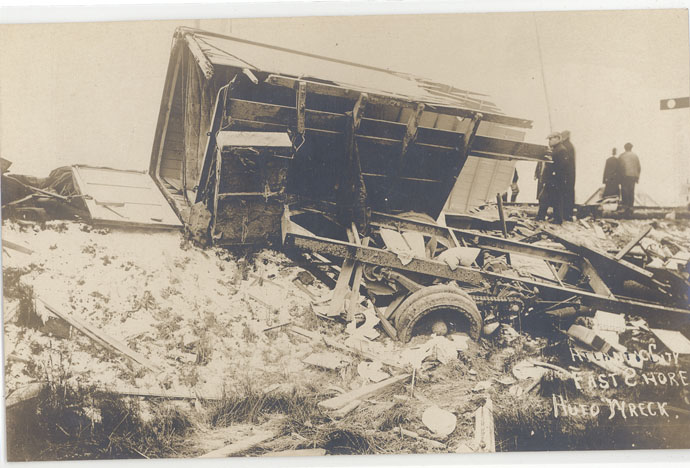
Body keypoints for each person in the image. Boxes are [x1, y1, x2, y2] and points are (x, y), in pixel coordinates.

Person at [536, 132, 567, 224]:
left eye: (551, 139)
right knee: (547, 198)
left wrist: (553, 176)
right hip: (553, 179)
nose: (549, 141)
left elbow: (561, 166)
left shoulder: (561, 150)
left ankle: (552, 219)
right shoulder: (556, 149)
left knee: (550, 199)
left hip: (555, 180)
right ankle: (543, 217)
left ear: (557, 138)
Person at [618, 142, 641, 214]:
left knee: (624, 191)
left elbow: (619, 167)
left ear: (625, 148)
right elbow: (639, 167)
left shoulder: (622, 156)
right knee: (631, 191)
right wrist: (637, 177)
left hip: (624, 176)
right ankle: (631, 207)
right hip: (633, 176)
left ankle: (625, 207)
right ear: (631, 148)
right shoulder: (635, 156)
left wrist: (619, 178)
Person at [560, 130, 576, 220]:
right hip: (570, 174)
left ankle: (565, 214)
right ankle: (568, 214)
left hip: (566, 175)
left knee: (565, 194)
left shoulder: (565, 146)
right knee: (569, 193)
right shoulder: (569, 146)